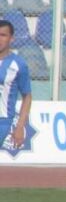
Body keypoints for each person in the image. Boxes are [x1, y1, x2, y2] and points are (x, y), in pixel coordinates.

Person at [0, 20, 32, 153]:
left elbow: (27, 96)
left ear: (11, 38)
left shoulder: (19, 65)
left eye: (3, 35)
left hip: (2, 121)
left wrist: (20, 126)